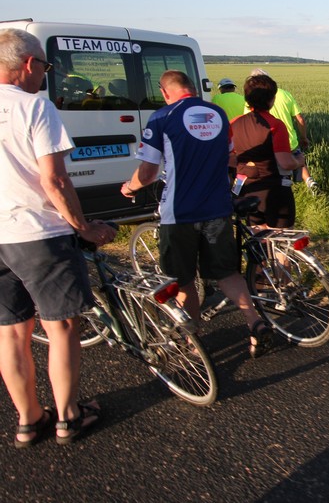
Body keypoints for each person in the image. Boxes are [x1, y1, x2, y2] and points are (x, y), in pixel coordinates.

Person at [0, 29, 116, 446]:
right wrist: (84, 227)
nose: (44, 75)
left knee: (11, 332)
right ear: (29, 63)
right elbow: (55, 180)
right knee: (62, 325)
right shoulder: (34, 106)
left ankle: (29, 420)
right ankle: (68, 416)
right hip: (37, 233)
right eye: (46, 67)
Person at [120, 70, 272, 357]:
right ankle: (255, 322)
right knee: (226, 272)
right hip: (217, 208)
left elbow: (148, 172)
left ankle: (192, 340)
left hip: (180, 213)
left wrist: (130, 187)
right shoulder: (217, 115)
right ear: (191, 87)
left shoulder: (162, 117)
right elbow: (231, 157)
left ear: (165, 92)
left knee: (184, 279)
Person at [231, 73, 304, 228]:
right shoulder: (275, 125)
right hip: (274, 190)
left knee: (257, 235)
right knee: (280, 239)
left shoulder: (233, 123)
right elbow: (285, 163)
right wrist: (299, 161)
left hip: (247, 189)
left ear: (247, 98)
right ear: (272, 99)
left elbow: (229, 158)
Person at [248, 69, 316, 189]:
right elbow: (300, 119)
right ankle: (310, 183)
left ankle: (282, 188)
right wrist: (303, 137)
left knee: (279, 172)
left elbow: (249, 123)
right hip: (290, 140)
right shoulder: (285, 94)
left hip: (267, 143)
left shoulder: (253, 99)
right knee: (298, 161)